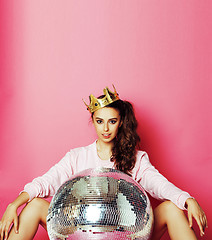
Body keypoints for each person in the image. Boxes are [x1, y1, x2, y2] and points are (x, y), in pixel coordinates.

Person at [0, 85, 208, 240]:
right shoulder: (77, 157)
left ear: (120, 123)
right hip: (81, 233)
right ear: (93, 121)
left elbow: (159, 184)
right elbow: (46, 181)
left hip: (129, 234)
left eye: (112, 121)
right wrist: (14, 204)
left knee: (171, 208)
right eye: (100, 121)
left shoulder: (136, 159)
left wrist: (187, 200)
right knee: (35, 204)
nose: (105, 129)